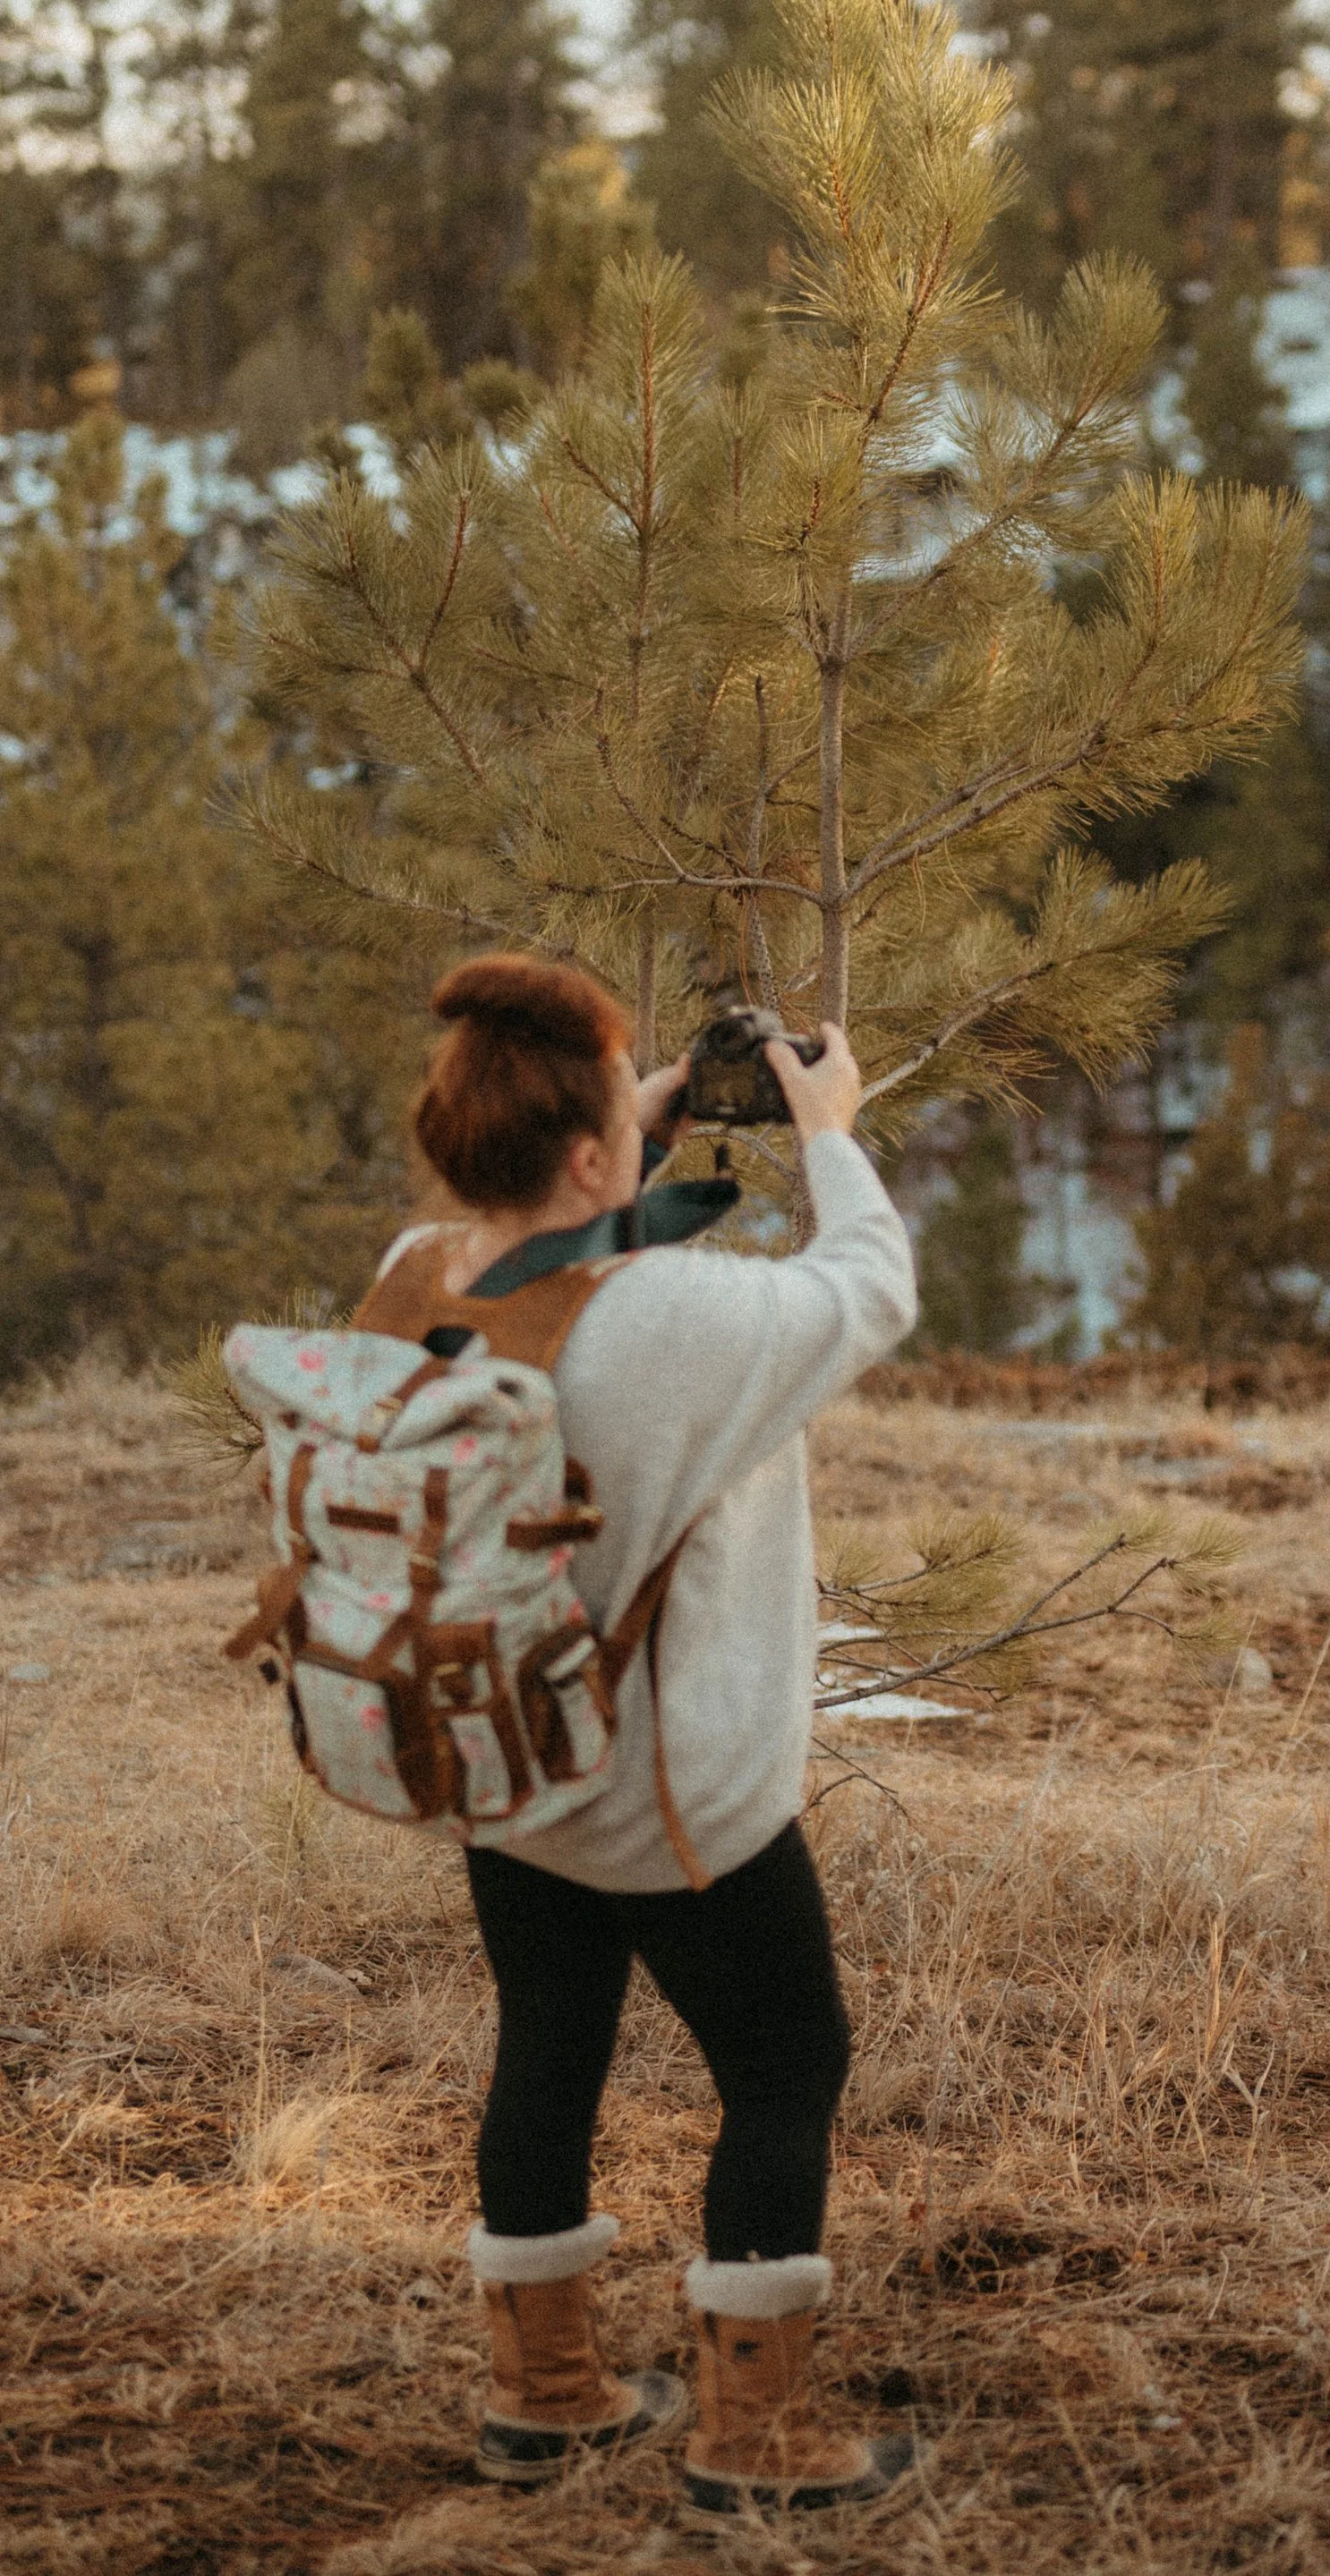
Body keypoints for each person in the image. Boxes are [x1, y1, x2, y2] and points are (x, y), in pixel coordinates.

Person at [360, 956, 918, 2513]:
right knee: (787, 2065)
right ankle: (755, 2433)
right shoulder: (680, 1310)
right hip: (672, 1793)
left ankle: (544, 2395)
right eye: (619, 1118)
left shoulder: (418, 1271)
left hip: (503, 1763)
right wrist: (829, 1131)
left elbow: (559, 1284)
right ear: (594, 1154)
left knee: (548, 2048)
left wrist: (638, 1142)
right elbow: (872, 1287)